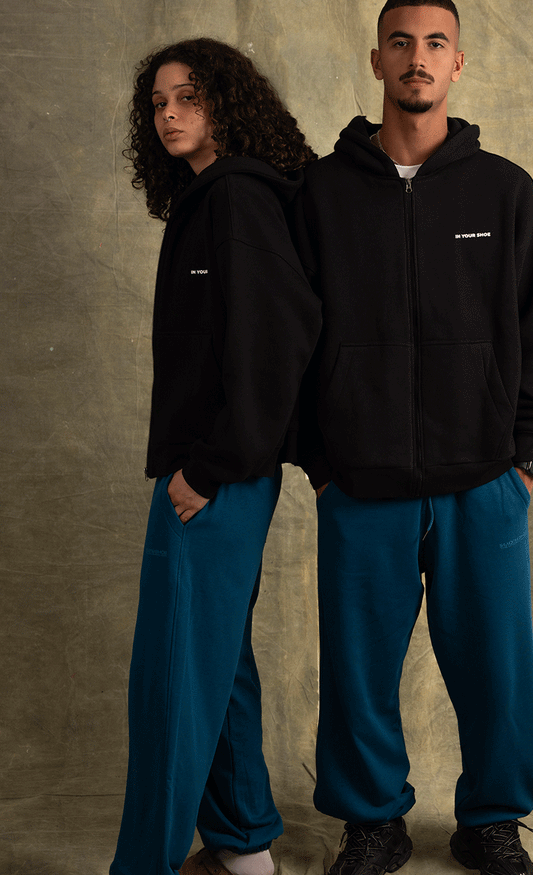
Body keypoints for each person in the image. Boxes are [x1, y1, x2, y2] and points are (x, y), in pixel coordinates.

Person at [295, 2, 533, 873]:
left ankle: (491, 819)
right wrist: (321, 460)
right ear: (377, 60)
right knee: (357, 668)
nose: (418, 57)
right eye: (402, 43)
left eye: (436, 44)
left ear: (459, 63)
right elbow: (288, 336)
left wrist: (524, 457)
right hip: (360, 481)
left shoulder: (505, 190)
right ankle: (371, 821)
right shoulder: (321, 194)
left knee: (496, 667)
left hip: (483, 479)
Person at [110, 38, 321, 875]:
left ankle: (145, 865)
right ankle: (243, 846)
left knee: (173, 677)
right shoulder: (211, 199)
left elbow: (279, 340)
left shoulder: (236, 197)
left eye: (188, 97)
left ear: (226, 103)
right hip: (212, 468)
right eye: (158, 103)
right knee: (216, 660)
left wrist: (209, 466)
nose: (169, 114)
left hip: (215, 474)